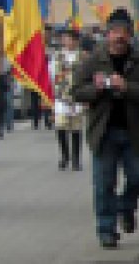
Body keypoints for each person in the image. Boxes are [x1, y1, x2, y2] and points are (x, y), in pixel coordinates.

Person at [72, 8, 139, 249]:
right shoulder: (93, 62)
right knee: (104, 184)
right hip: (104, 132)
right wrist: (97, 89)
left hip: (136, 131)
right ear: (107, 34)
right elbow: (76, 91)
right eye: (115, 32)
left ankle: (126, 205)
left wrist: (127, 87)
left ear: (131, 35)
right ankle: (106, 229)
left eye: (124, 32)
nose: (119, 37)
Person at [50, 28, 85, 171]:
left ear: (75, 41)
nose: (65, 41)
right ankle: (64, 156)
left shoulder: (82, 56)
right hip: (61, 95)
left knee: (76, 127)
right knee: (61, 126)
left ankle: (76, 158)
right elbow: (51, 74)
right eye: (64, 38)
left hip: (77, 95)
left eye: (68, 38)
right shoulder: (57, 56)